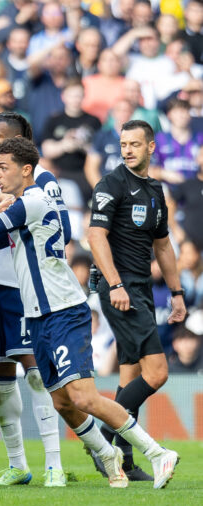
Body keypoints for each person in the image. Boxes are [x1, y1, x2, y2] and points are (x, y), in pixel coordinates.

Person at [0, 136, 180, 490]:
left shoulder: (34, 201)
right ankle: (108, 456)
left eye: (3, 167)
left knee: (84, 396)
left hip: (64, 311)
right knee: (63, 402)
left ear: (27, 170)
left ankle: (157, 451)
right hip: (41, 315)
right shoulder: (27, 202)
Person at [0, 112, 68, 487]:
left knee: (38, 375)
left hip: (25, 286)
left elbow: (65, 229)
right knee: (0, 377)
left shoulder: (40, 180)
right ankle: (17, 464)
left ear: (20, 140)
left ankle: (54, 464)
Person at [88, 119, 187, 481]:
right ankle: (103, 442)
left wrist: (176, 292)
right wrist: (115, 284)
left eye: (134, 144)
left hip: (141, 287)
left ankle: (123, 462)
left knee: (130, 375)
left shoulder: (154, 189)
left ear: (150, 147)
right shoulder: (112, 183)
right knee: (157, 373)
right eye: (123, 143)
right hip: (121, 287)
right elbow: (95, 235)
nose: (127, 149)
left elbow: (162, 244)